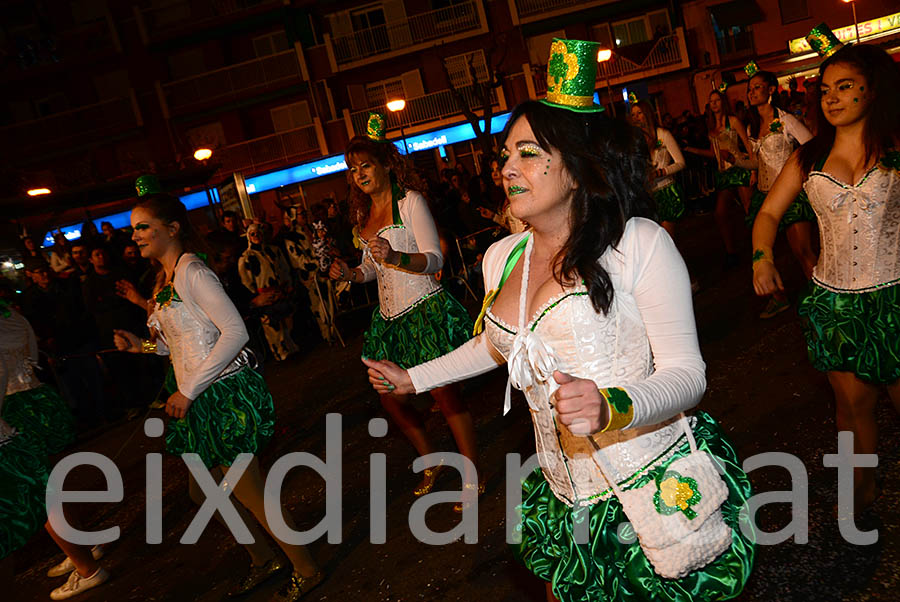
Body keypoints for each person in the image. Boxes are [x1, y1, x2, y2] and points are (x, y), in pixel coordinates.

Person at [362, 39, 754, 602]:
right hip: (565, 490)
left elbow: (689, 375)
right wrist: (415, 378)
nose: (505, 168)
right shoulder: (503, 257)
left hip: (648, 481)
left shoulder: (637, 244)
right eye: (504, 154)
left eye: (527, 152)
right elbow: (500, 346)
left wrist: (612, 405)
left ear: (575, 167)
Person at [112, 193, 323, 601]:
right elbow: (180, 342)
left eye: (142, 227)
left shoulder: (193, 271)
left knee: (250, 492)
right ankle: (264, 558)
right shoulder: (163, 279)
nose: (134, 235)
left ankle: (306, 568)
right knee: (204, 490)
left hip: (221, 393)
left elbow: (235, 332)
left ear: (172, 229)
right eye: (133, 228)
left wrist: (188, 390)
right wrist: (140, 346)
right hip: (197, 397)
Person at [752, 33, 900, 517]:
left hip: (894, 299)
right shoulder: (807, 157)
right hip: (836, 304)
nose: (832, 97)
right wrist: (762, 257)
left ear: (872, 91)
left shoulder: (896, 150)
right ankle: (860, 498)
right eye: (826, 88)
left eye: (845, 86)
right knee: (854, 411)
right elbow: (769, 214)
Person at [329, 113, 480, 510]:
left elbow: (433, 260)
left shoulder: (409, 202)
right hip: (389, 320)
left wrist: (396, 255)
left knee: (446, 395)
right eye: (352, 169)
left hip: (424, 309)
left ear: (384, 165)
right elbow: (368, 271)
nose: (359, 174)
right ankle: (430, 461)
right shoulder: (362, 217)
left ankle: (470, 475)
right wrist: (350, 272)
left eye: (365, 165)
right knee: (390, 398)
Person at [0, 301, 110, 600]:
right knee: (50, 484)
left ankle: (84, 563)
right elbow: (33, 358)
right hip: (36, 399)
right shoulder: (15, 316)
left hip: (13, 408)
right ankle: (82, 547)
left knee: (45, 494)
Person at [743, 67, 817, 319]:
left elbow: (811, 148)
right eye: (749, 88)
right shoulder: (753, 126)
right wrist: (738, 162)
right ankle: (779, 297)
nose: (751, 92)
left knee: (802, 252)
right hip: (765, 194)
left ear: (771, 90)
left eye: (757, 87)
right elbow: (758, 163)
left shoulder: (786, 119)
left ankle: (824, 301)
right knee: (763, 251)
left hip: (790, 194)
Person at [685, 89, 755, 267]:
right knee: (720, 212)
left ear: (723, 102)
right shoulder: (711, 128)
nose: (714, 104)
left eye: (717, 100)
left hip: (739, 167)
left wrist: (754, 170)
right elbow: (714, 154)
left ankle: (759, 247)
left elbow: (748, 145)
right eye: (711, 101)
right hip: (723, 173)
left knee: (749, 208)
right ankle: (731, 251)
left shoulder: (733, 121)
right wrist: (691, 150)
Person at [630, 99, 686, 238]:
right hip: (649, 196)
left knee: (666, 237)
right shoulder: (635, 141)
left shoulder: (663, 134)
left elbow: (680, 162)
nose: (636, 117)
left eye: (639, 113)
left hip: (666, 191)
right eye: (633, 114)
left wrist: (661, 172)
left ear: (647, 114)